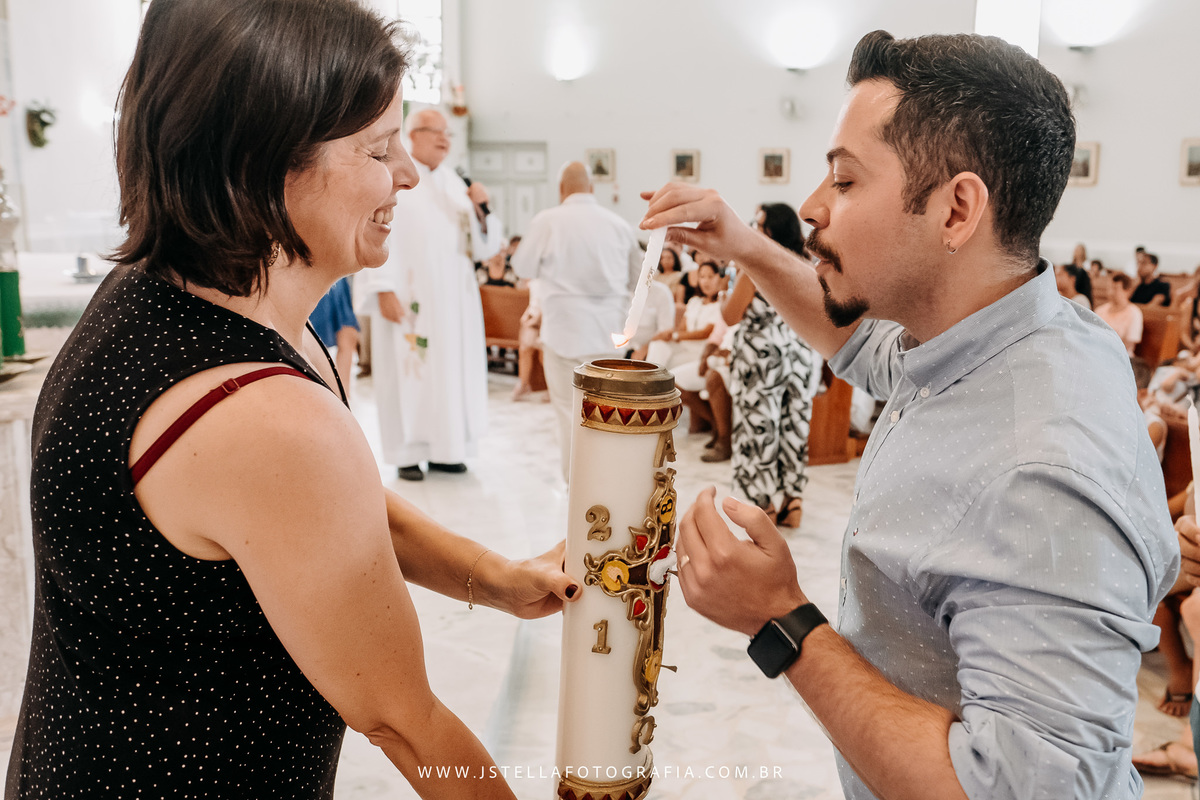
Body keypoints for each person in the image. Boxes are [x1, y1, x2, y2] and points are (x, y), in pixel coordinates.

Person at [5, 2, 576, 797]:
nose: (408, 174)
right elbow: (404, 724)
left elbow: (332, 509)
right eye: (380, 150)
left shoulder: (180, 298)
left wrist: (495, 577)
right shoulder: (260, 418)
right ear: (266, 164)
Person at [642, 29, 1176, 800]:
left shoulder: (1043, 471)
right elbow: (858, 341)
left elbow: (1020, 790)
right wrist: (747, 247)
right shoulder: (994, 330)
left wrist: (779, 618)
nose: (815, 207)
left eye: (846, 181)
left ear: (957, 208)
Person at [359, 107, 501, 481]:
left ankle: (446, 449)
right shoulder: (396, 178)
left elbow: (486, 248)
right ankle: (407, 454)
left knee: (451, 374)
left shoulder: (457, 184)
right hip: (410, 301)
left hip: (455, 305)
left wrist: (482, 209)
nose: (444, 139)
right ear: (413, 134)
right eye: (435, 131)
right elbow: (374, 228)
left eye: (448, 133)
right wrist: (383, 287)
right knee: (409, 370)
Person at [511, 161, 641, 482]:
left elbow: (522, 267)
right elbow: (637, 279)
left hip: (563, 328)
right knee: (609, 409)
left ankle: (576, 485)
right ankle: (609, 481)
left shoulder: (549, 221)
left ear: (560, 189)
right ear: (592, 189)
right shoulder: (619, 224)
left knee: (569, 410)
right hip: (607, 332)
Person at [722, 203, 818, 527]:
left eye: (760, 224)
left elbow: (730, 315)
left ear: (773, 231)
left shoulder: (756, 267)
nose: (754, 228)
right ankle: (794, 502)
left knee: (759, 429)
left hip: (762, 359)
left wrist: (730, 284)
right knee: (794, 427)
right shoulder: (808, 265)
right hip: (800, 354)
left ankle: (764, 506)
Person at [645, 260, 724, 369]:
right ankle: (647, 379)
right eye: (702, 277)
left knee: (666, 364)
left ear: (718, 278)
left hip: (700, 351)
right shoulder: (694, 301)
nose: (706, 282)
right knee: (658, 344)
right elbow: (682, 327)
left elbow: (705, 333)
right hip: (683, 345)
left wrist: (674, 335)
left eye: (710, 277)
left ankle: (651, 379)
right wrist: (668, 334)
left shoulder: (720, 305)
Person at [309, 276, 360, 399]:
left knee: (348, 334)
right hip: (309, 275)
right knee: (311, 338)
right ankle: (318, 396)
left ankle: (344, 397)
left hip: (337, 278)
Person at [1096, 272, 1144, 355]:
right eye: (1109, 288)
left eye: (1115, 288)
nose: (1111, 292)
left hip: (1121, 356)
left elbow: (1129, 344)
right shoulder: (1100, 310)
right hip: (1098, 352)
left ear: (1127, 291)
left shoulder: (1134, 313)